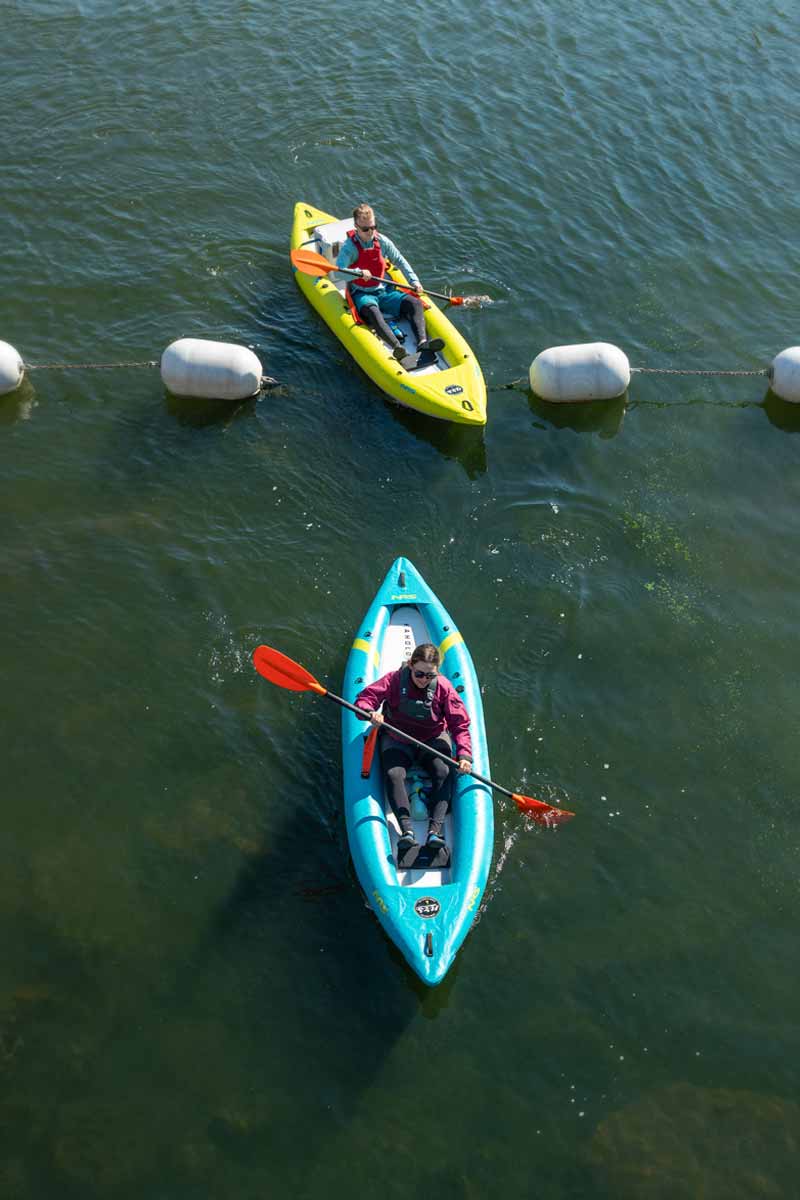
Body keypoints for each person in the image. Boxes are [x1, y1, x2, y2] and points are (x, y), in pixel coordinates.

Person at [354, 642, 472, 854]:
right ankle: (407, 831)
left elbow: (459, 724)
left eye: (430, 676)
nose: (424, 680)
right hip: (397, 738)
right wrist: (369, 712)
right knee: (393, 774)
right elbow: (364, 700)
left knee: (444, 772)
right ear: (410, 665)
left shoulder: (443, 688)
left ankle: (435, 832)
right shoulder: (393, 680)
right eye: (419, 674)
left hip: (433, 739)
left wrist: (464, 755)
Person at [336, 203, 445, 364]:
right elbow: (338, 272)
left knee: (414, 303)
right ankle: (397, 348)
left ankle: (422, 343)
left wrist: (414, 281)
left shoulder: (383, 242)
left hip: (384, 291)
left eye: (373, 227)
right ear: (356, 227)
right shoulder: (349, 248)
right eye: (366, 229)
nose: (371, 232)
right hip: (363, 293)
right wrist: (359, 272)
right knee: (373, 311)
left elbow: (400, 260)